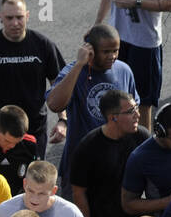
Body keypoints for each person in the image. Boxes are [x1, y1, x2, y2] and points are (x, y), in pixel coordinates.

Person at [0, 0, 66, 158]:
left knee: (33, 179)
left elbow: (59, 85)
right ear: (0, 17)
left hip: (34, 130)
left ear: (27, 16)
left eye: (19, 17)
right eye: (9, 18)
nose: (15, 23)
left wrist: (63, 120)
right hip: (0, 133)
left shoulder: (43, 45)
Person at [45, 24, 140, 194]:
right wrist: (79, 65)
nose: (112, 56)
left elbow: (135, 113)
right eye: (106, 52)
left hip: (117, 164)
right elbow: (54, 104)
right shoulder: (73, 72)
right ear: (91, 50)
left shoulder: (124, 70)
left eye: (115, 50)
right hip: (81, 165)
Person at [71, 91, 150, 217]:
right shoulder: (88, 148)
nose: (137, 114)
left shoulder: (142, 137)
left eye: (136, 108)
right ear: (112, 117)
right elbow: (78, 193)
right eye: (130, 111)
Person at [95, 0, 171, 131]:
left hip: (144, 43)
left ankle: (141, 146)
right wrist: (98, 23)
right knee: (115, 96)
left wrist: (137, 2)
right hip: (118, 39)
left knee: (142, 102)